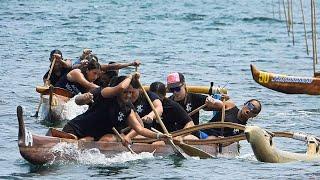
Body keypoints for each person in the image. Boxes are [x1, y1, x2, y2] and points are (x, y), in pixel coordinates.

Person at [62, 74, 169, 143]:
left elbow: (140, 129)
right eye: (125, 92)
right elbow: (121, 87)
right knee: (70, 141)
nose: (128, 95)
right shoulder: (106, 93)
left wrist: (160, 136)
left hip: (95, 137)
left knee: (98, 141)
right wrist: (130, 77)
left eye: (130, 92)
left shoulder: (127, 108)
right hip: (76, 128)